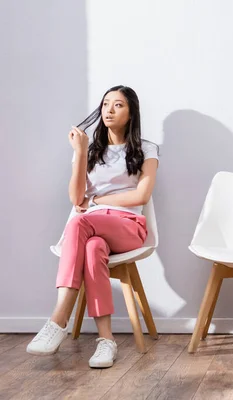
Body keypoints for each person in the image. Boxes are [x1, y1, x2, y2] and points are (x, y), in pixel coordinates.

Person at [26, 85, 159, 368]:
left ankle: (58, 319)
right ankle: (106, 342)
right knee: (93, 247)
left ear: (131, 112)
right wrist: (81, 152)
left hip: (129, 226)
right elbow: (76, 198)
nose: (109, 110)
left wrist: (97, 198)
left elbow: (141, 196)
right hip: (93, 230)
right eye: (106, 104)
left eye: (118, 105)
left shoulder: (147, 149)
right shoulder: (89, 150)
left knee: (80, 221)